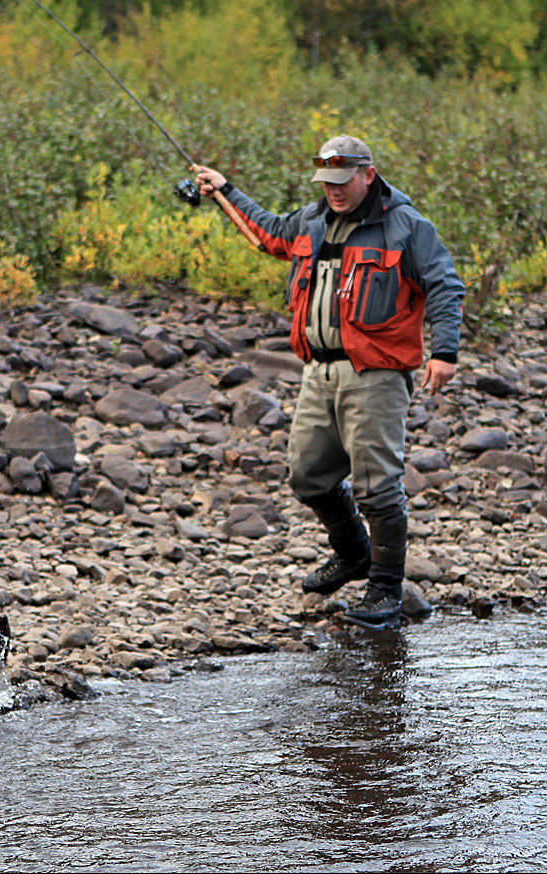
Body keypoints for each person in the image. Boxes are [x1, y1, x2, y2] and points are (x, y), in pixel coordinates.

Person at [192, 136, 464, 628]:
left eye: (342, 182)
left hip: (376, 374)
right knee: (308, 475)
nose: (334, 191)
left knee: (378, 488)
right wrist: (224, 189)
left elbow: (444, 284)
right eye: (326, 182)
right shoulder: (312, 220)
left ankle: (385, 591)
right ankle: (354, 552)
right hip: (318, 371)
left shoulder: (406, 225)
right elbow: (270, 234)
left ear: (367, 173)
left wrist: (444, 352)